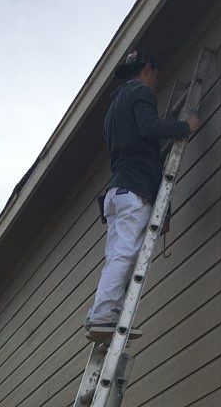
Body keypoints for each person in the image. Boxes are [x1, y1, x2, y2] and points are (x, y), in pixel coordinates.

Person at [85, 48, 201, 341]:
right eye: (156, 73)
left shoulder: (113, 110)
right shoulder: (141, 92)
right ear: (147, 68)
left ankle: (105, 312)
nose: (157, 80)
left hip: (118, 192)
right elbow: (149, 128)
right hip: (135, 190)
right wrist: (184, 126)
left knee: (117, 254)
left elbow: (136, 139)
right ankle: (103, 314)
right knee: (124, 254)